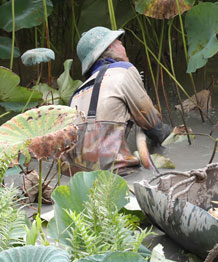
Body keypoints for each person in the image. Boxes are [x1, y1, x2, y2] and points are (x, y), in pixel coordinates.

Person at [68, 27, 171, 173]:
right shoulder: (123, 70)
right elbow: (152, 124)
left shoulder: (76, 93)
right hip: (114, 174)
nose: (124, 47)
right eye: (120, 43)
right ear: (111, 46)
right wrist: (169, 135)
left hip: (76, 176)